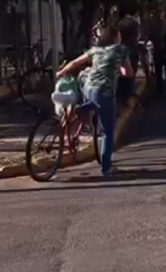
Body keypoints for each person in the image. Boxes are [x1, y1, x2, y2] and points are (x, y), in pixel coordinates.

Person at [57, 23, 134, 177]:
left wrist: (61, 72)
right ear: (115, 37)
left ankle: (77, 111)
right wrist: (118, 70)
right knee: (108, 131)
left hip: (88, 87)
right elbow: (129, 73)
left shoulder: (95, 51)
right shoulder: (121, 50)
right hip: (105, 92)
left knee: (89, 95)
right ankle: (106, 168)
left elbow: (74, 63)